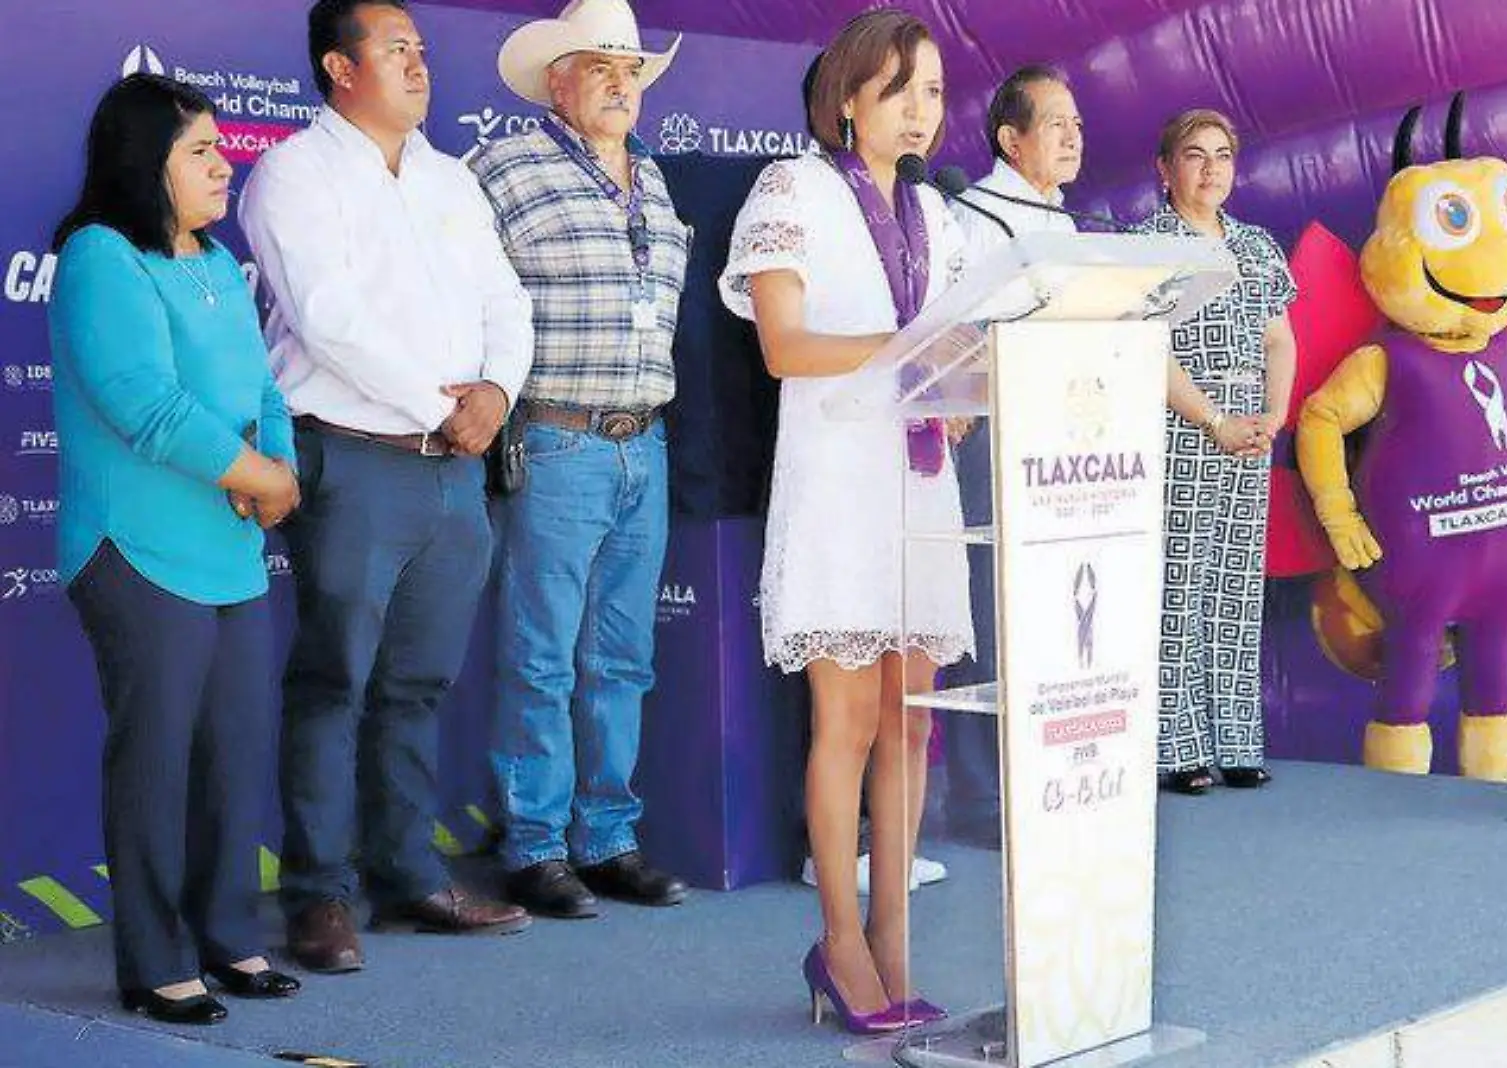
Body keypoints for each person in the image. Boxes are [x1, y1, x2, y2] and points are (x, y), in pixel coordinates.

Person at [237, 0, 535, 973]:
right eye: (395, 48)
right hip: (354, 455)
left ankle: (408, 875)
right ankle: (318, 896)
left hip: (452, 467)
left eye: (420, 47)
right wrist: (439, 404)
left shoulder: (451, 178)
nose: (419, 61)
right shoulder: (293, 173)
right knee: (335, 681)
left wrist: (495, 391)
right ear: (339, 66)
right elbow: (327, 320)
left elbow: (506, 299)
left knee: (418, 684)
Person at [719, 9, 969, 1035]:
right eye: (905, 87)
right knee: (850, 720)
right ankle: (841, 941)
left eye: (938, 93)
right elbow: (784, 345)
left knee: (910, 720)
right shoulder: (790, 188)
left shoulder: (939, 216)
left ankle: (896, 937)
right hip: (836, 481)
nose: (924, 109)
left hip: (919, 486)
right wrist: (912, 350)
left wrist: (958, 383)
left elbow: (961, 351)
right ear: (850, 95)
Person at [49, 73, 303, 1024]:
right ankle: (155, 961)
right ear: (142, 159)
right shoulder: (101, 258)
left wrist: (276, 466)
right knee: (156, 761)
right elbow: (144, 405)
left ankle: (229, 938)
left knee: (235, 756)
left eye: (220, 146)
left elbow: (261, 389)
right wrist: (260, 478)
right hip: (137, 548)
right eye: (199, 149)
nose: (222, 162)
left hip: (229, 547)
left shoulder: (211, 260)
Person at [468, 0, 690, 920]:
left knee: (623, 658)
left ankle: (608, 837)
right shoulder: (503, 167)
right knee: (542, 655)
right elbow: (469, 297)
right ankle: (533, 845)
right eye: (598, 64)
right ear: (555, 79)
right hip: (556, 437)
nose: (618, 82)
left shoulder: (655, 179)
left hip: (646, 440)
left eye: (631, 68)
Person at [933, 64, 1086, 846]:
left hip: (1064, 439)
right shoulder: (975, 221)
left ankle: (1048, 774)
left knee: (1044, 616)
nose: (1073, 136)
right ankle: (980, 794)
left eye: (1076, 123)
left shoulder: (1062, 223)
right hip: (989, 435)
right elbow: (946, 341)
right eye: (1055, 122)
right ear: (1010, 138)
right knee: (989, 615)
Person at [1131, 109, 1298, 796]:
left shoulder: (1256, 245)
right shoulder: (1148, 246)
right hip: (1183, 428)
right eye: (1194, 156)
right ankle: (1176, 747)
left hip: (1250, 434)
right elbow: (1150, 348)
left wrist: (1272, 416)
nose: (1210, 169)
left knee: (1235, 585)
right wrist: (1214, 419)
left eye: (1222, 155)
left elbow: (1279, 338)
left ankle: (1236, 740)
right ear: (1165, 169)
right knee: (1178, 585)